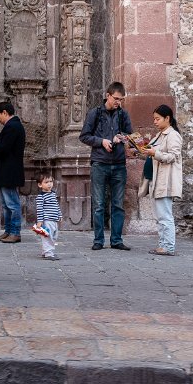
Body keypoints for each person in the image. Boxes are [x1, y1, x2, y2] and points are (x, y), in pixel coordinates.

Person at [80, 82, 133, 251]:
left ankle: (116, 240)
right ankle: (98, 240)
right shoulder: (94, 113)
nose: (118, 102)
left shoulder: (123, 114)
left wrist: (121, 137)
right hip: (100, 164)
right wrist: (101, 141)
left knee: (118, 204)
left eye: (121, 99)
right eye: (116, 99)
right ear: (108, 95)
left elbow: (130, 135)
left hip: (118, 164)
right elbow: (84, 136)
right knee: (99, 204)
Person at [138, 105, 183, 256]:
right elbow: (152, 150)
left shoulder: (173, 135)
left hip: (165, 181)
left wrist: (155, 153)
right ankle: (163, 244)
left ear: (167, 118)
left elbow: (173, 156)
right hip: (156, 180)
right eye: (154, 119)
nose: (155, 122)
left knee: (165, 215)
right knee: (159, 216)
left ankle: (169, 246)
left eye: (158, 119)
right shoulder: (160, 135)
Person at [0, 102, 27, 244]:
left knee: (12, 203)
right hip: (6, 171)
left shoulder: (13, 126)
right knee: (6, 204)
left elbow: (4, 149)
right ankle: (9, 231)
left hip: (9, 171)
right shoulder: (12, 126)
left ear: (5, 112)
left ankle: (15, 232)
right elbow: (4, 147)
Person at [32, 173, 61, 260]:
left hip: (54, 220)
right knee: (48, 237)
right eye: (46, 182)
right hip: (47, 220)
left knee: (54, 236)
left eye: (51, 181)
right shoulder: (41, 197)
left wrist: (59, 214)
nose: (49, 184)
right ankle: (49, 253)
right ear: (40, 185)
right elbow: (40, 209)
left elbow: (56, 205)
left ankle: (46, 252)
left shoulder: (53, 194)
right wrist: (40, 221)